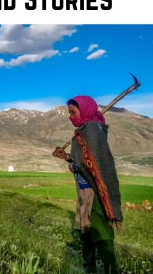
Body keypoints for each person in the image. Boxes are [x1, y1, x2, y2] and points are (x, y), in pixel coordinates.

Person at [52, 95, 123, 274]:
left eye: (73, 112)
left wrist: (73, 164)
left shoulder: (91, 129)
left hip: (96, 192)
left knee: (101, 234)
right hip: (85, 191)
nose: (71, 116)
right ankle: (89, 270)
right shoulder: (84, 129)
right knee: (87, 234)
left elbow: (94, 164)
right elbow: (84, 160)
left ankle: (109, 270)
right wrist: (68, 157)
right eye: (69, 112)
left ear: (84, 110)